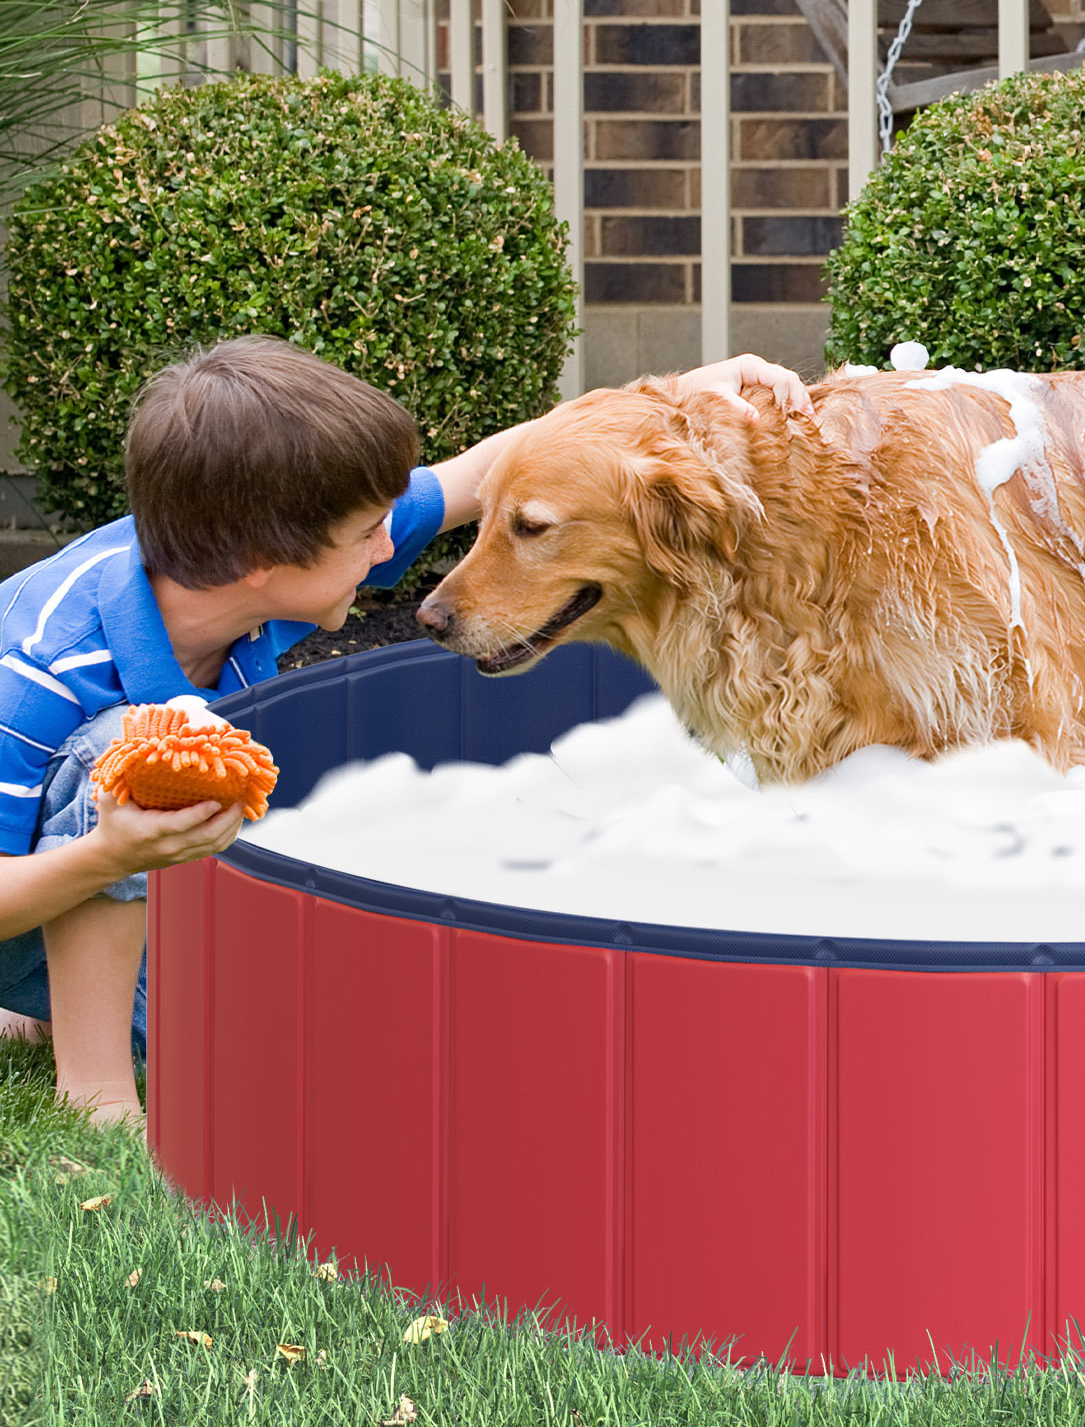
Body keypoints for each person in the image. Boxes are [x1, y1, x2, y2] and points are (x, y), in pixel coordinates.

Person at [0, 337, 811, 1125]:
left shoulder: (239, 563)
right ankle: (95, 1087)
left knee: (352, 1020)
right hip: (40, 889)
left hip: (112, 886)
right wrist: (110, 855)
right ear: (261, 561)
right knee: (126, 751)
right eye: (367, 537)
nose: (391, 547)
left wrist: (682, 400)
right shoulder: (42, 666)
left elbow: (479, 473)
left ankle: (48, 997)